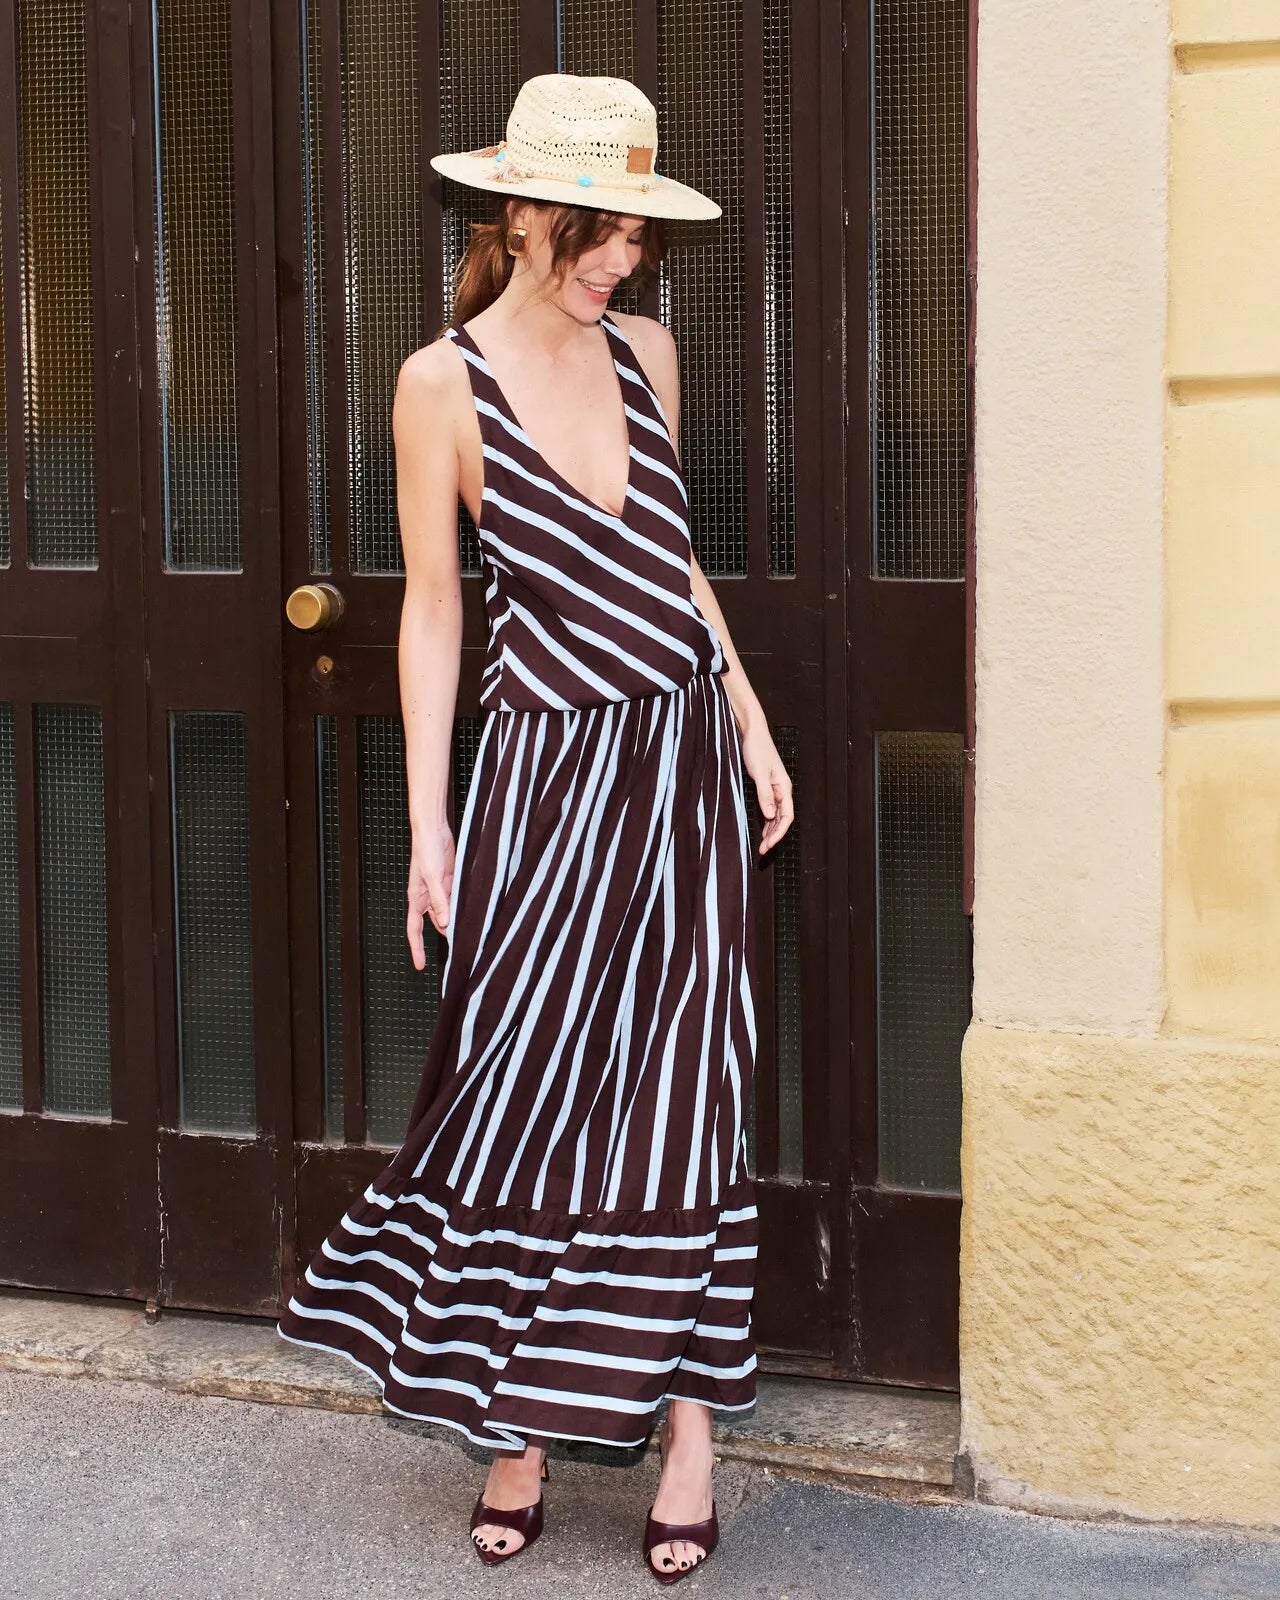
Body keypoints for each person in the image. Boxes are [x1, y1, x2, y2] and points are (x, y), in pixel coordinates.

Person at [277, 73, 794, 1585]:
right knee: (525, 1090)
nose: (618, 261)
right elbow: (435, 614)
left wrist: (750, 717)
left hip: (682, 771)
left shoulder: (653, 354)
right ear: (518, 214)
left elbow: (676, 570)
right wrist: (432, 826)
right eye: (594, 232)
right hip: (544, 785)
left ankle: (690, 1433)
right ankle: (520, 1420)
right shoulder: (439, 385)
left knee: (689, 1092)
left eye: (631, 232)